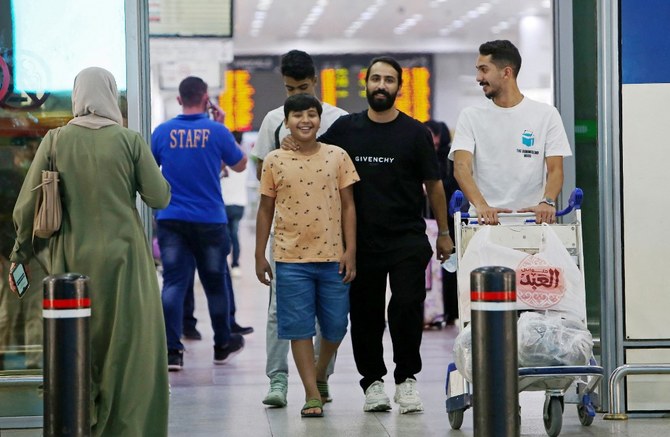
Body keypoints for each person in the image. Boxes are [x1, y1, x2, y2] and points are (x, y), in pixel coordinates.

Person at [8, 67, 171, 436]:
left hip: (72, 261)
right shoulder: (129, 140)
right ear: (111, 95)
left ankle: (85, 423)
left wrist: (20, 255)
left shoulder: (55, 141)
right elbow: (158, 196)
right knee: (129, 348)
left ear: (79, 95)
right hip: (126, 260)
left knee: (78, 346)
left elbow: (25, 208)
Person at [286, 56, 454, 414]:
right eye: (376, 79)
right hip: (360, 241)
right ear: (367, 83)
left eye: (389, 80)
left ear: (398, 87)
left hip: (407, 238)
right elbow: (316, 151)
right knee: (366, 315)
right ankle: (373, 383)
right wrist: (292, 144)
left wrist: (443, 232)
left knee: (407, 307)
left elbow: (435, 186)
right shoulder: (346, 130)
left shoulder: (415, 133)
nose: (381, 85)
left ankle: (407, 379)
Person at [252, 49, 347, 407]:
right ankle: (278, 379)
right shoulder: (274, 120)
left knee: (331, 316)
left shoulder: (338, 120)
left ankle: (321, 377)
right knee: (281, 310)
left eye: (302, 87)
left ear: (316, 81)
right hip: (288, 237)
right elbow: (264, 179)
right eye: (289, 89)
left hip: (329, 235)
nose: (295, 97)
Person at [151, 76, 248, 371]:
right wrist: (223, 127)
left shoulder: (162, 132)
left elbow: (150, 168)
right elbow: (240, 164)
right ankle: (221, 346)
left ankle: (172, 352)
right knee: (215, 283)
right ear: (206, 99)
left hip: (171, 219)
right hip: (209, 220)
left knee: (174, 283)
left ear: (179, 99)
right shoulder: (217, 131)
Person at [449, 39, 572, 225]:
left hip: (531, 223)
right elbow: (461, 167)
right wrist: (482, 206)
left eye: (484, 69)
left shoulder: (546, 115)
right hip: (484, 224)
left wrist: (547, 202)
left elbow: (555, 169)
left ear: (506, 72)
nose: (478, 78)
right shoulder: (470, 116)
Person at [424, 120, 460, 325]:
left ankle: (450, 310)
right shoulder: (419, 155)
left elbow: (453, 184)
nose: (432, 139)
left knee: (449, 267)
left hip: (448, 221)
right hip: (425, 221)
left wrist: (431, 187)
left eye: (434, 134)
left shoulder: (451, 158)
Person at [223, 131, 249, 278]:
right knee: (234, 234)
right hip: (240, 203)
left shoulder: (225, 159)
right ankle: (236, 264)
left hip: (225, 202)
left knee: (225, 235)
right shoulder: (244, 160)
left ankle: (224, 264)